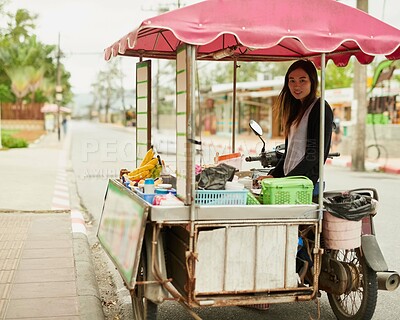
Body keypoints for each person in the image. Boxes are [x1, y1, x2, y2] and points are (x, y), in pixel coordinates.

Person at [268, 59, 333, 191]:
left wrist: (287, 181)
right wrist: (273, 175)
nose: (297, 86)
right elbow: (289, 153)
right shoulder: (296, 110)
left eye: (302, 80)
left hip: (305, 185)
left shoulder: (320, 108)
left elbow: (314, 155)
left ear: (312, 82)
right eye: (292, 81)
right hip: (290, 181)